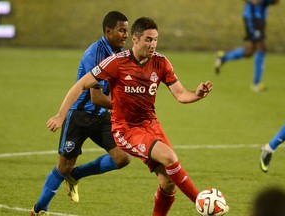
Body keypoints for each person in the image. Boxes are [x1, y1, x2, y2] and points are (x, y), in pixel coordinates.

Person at [46, 17, 229, 215]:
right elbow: (81, 84)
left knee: (168, 183)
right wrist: (60, 115)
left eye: (156, 39)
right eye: (148, 40)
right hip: (126, 129)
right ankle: (201, 202)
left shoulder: (161, 62)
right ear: (135, 39)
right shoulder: (117, 62)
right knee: (169, 157)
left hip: (151, 125)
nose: (153, 44)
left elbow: (180, 94)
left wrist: (197, 94)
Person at [30, 11, 130, 216]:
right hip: (79, 116)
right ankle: (39, 209)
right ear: (108, 31)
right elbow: (96, 97)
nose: (125, 35)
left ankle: (76, 176)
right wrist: (60, 116)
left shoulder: (117, 54)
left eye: (127, 31)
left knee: (122, 157)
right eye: (122, 30)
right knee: (64, 165)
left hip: (101, 116)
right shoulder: (94, 54)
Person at [215, 0, 279, 92]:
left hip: (260, 18)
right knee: (261, 47)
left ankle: (223, 58)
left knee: (249, 52)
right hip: (253, 17)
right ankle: (256, 84)